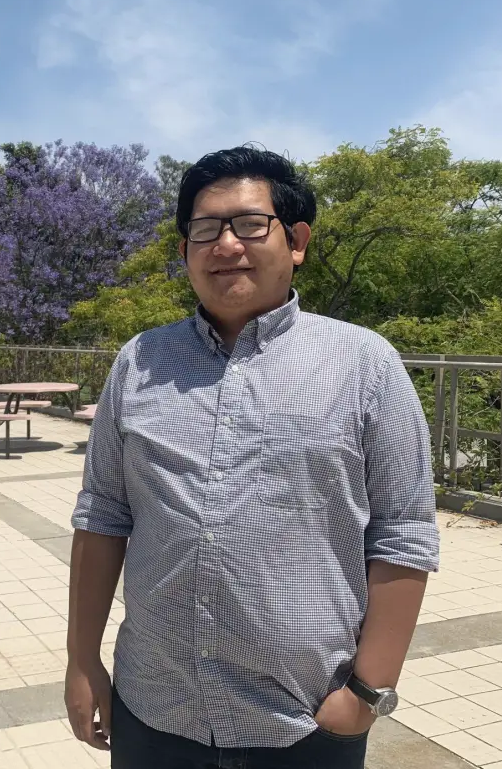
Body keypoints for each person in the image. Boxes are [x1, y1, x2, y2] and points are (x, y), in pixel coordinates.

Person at [64, 145, 440, 768]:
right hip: (154, 709)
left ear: (295, 241)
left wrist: (366, 696)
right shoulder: (139, 362)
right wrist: (82, 660)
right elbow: (102, 516)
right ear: (185, 250)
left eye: (248, 224)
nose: (225, 245)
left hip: (305, 719)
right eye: (204, 229)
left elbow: (404, 533)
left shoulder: (364, 363)